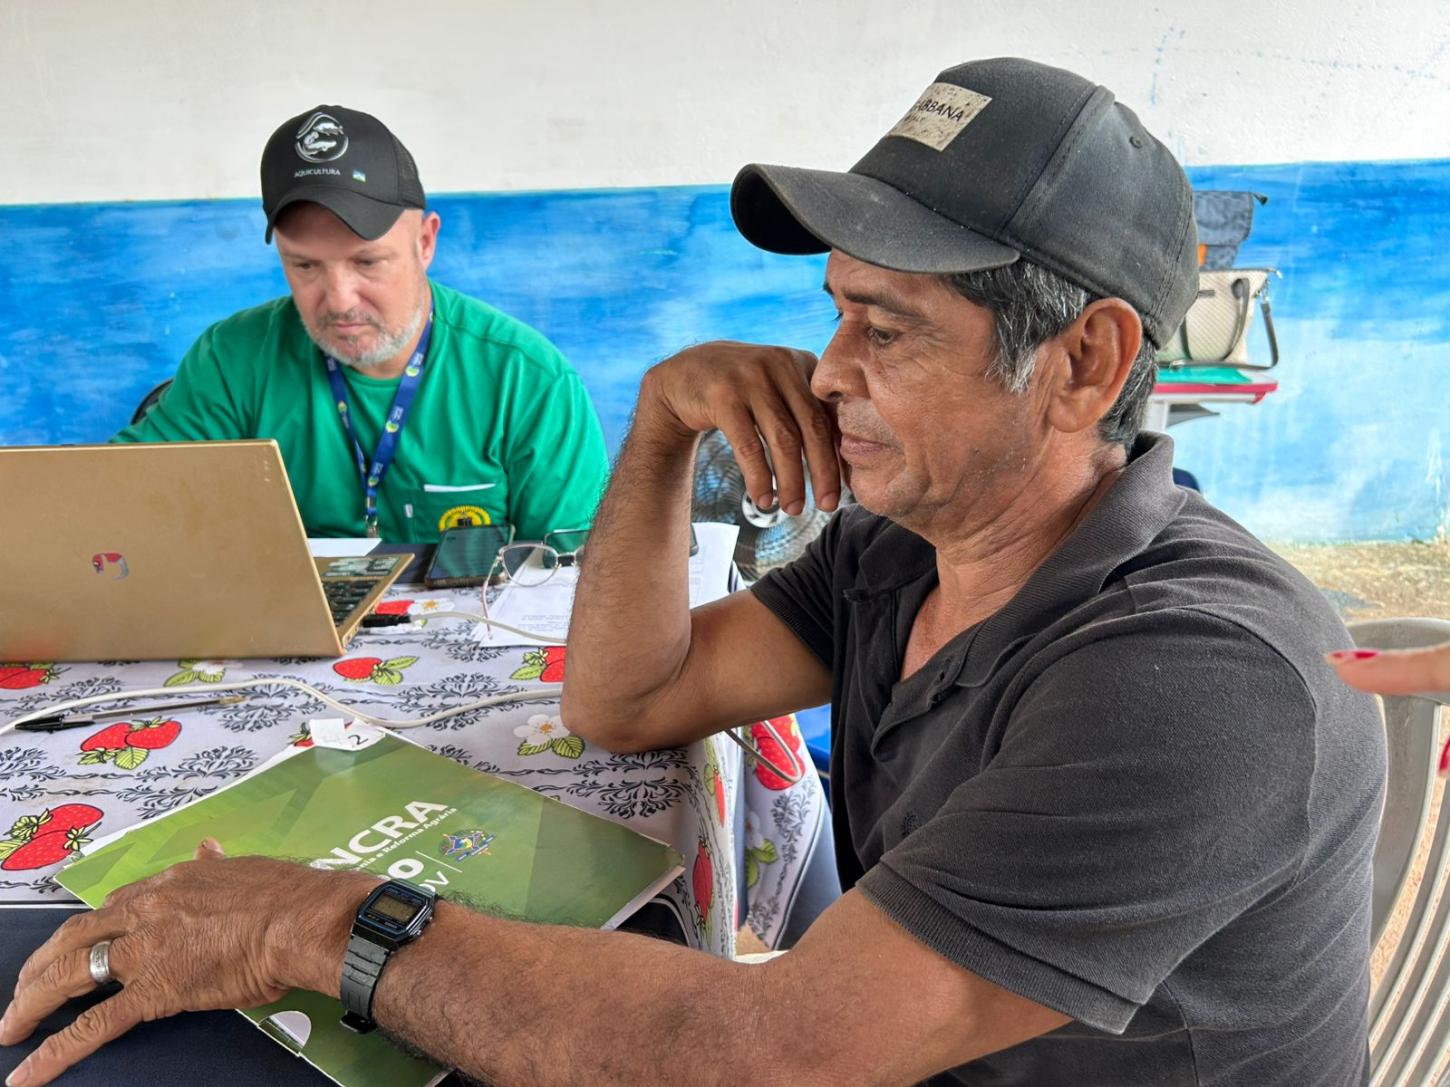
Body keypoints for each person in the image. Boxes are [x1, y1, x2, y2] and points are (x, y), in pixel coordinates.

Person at [1, 60, 1385, 1087]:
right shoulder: (904, 546)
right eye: (832, 309)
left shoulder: (1201, 675)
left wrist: (314, 918)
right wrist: (660, 425)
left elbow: (780, 1048)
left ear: (1082, 362)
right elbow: (625, 698)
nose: (829, 368)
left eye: (887, 328)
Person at [113, 105, 609, 544]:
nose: (339, 301)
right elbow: (112, 496)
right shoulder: (231, 358)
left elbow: (582, 575)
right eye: (305, 267)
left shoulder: (529, 380)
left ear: (425, 242)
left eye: (368, 263)